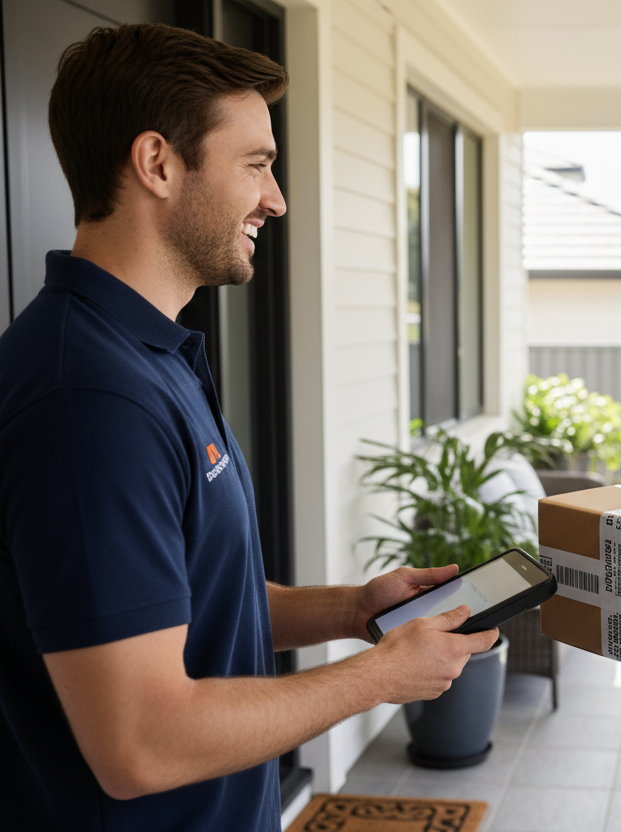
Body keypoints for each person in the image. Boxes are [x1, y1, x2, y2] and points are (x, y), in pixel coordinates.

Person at [0, 24, 497, 832]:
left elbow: (177, 603)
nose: (277, 199)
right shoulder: (89, 400)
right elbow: (141, 746)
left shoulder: (150, 356)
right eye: (258, 165)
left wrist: (350, 610)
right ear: (157, 163)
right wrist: (376, 678)